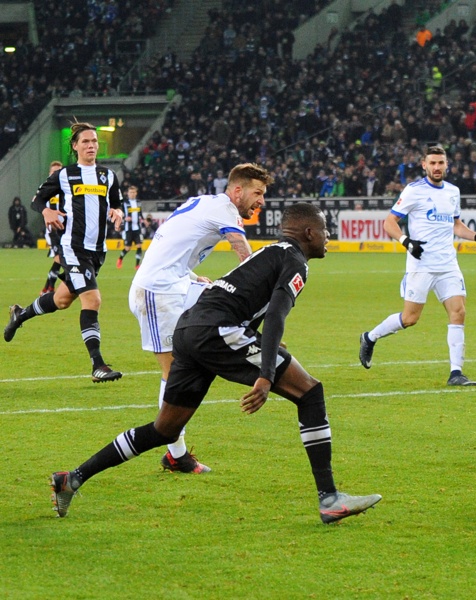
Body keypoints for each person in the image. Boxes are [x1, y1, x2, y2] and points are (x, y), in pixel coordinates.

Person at [50, 203, 382, 523]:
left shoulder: (269, 252)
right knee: (310, 393)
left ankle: (73, 478)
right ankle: (330, 499)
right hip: (218, 331)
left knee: (165, 429)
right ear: (309, 232)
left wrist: (260, 341)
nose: (328, 236)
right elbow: (277, 314)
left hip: (189, 328)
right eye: (324, 230)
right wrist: (266, 375)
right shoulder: (295, 260)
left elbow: (242, 298)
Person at [129, 163, 266, 474]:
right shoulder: (225, 209)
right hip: (156, 292)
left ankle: (251, 337)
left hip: (177, 283)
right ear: (237, 190)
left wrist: (190, 275)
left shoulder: (206, 202)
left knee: (214, 297)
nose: (261, 201)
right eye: (257, 193)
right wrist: (261, 282)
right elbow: (241, 249)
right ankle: (175, 455)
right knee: (174, 370)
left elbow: (173, 242)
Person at [4, 122, 125, 382]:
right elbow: (37, 200)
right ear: (75, 146)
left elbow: (117, 202)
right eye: (85, 142)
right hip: (73, 248)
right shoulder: (65, 175)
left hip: (97, 252)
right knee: (92, 300)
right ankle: (98, 365)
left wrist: (118, 212)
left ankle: (20, 314)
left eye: (94, 141)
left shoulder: (108, 176)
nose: (91, 145)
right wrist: (46, 210)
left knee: (61, 300)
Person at [358, 146, 476, 387]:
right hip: (421, 265)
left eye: (441, 163)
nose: (437, 167)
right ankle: (370, 337)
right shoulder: (414, 191)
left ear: (447, 165)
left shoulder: (453, 192)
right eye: (433, 163)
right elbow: (389, 222)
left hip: (448, 264)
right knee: (410, 318)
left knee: (458, 312)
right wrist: (406, 242)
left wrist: (475, 236)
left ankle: (456, 373)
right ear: (424, 165)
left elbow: (455, 224)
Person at [40, 161, 65, 295]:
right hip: (53, 230)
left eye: (58, 171)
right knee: (59, 258)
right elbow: (37, 201)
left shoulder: (66, 190)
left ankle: (47, 288)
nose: (55, 174)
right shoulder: (46, 189)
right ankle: (49, 288)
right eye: (53, 172)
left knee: (63, 259)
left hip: (65, 229)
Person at [116, 186, 144, 269]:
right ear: (128, 193)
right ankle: (120, 259)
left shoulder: (138, 202)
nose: (132, 194)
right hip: (129, 229)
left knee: (139, 246)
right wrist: (125, 218)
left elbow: (140, 213)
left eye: (134, 192)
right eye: (131, 192)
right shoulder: (124, 203)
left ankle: (137, 265)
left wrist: (143, 220)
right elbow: (121, 213)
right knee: (127, 248)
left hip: (137, 228)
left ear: (136, 193)